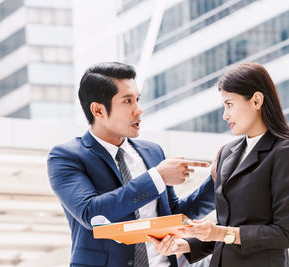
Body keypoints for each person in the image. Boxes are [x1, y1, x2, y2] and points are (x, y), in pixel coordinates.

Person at [47, 62, 216, 267]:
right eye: (128, 101)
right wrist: (157, 177)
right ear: (98, 110)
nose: (139, 109)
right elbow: (93, 215)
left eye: (137, 99)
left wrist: (216, 181)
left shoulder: (153, 151)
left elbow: (173, 216)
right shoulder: (66, 157)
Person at [149, 62, 289, 267]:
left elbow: (285, 234)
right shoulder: (228, 152)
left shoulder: (285, 152)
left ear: (256, 100)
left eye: (230, 104)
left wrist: (219, 232)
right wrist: (185, 244)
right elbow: (227, 229)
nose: (225, 115)